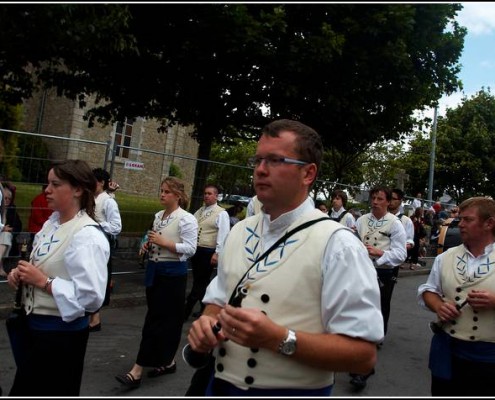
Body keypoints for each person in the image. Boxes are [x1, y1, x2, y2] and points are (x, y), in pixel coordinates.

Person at [186, 119, 383, 396]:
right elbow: (217, 301)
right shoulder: (239, 232)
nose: (261, 170)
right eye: (258, 160)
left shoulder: (338, 244)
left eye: (276, 160)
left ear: (308, 174)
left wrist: (278, 338)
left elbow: (362, 355)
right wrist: (206, 324)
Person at [6, 159, 109, 396]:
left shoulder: (86, 236)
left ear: (77, 189)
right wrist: (20, 275)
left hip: (60, 338)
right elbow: (41, 266)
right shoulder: (52, 224)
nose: (47, 190)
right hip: (34, 329)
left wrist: (43, 282)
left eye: (55, 184)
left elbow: (92, 299)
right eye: (47, 183)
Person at [115, 176, 198, 389]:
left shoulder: (186, 218)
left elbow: (190, 249)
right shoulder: (158, 215)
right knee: (162, 320)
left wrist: (166, 243)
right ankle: (167, 361)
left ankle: (137, 370)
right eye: (161, 190)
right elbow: (151, 235)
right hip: (155, 272)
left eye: (167, 192)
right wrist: (145, 244)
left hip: (173, 276)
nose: (162, 194)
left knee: (157, 321)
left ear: (177, 195)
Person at [417, 196, 495, 396]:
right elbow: (429, 290)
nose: (460, 224)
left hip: (489, 358)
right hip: (448, 351)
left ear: (489, 223)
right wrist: (438, 306)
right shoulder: (446, 257)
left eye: (468, 220)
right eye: (460, 219)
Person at [353, 185, 407, 389]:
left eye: (380, 198)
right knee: (359, 310)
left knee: (379, 308)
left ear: (388, 201)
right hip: (361, 269)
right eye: (373, 198)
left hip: (383, 271)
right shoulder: (361, 220)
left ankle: (373, 342)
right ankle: (360, 360)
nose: (375, 201)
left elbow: (401, 254)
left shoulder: (395, 224)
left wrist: (381, 254)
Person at [184, 184, 230, 320]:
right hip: (197, 250)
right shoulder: (199, 211)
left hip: (208, 251)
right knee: (201, 282)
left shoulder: (221, 213)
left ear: (216, 196)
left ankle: (186, 310)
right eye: (205, 193)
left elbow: (224, 234)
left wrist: (217, 253)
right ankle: (205, 310)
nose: (206, 196)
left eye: (210, 193)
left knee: (199, 282)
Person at [89, 168, 122, 332]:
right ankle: (91, 315)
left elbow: (116, 226)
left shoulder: (108, 201)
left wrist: (96, 225)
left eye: (92, 180)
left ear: (101, 182)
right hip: (89, 242)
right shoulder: (90, 198)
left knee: (98, 278)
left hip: (102, 243)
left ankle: (95, 318)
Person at [388, 188, 415, 270]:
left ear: (400, 201)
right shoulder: (381, 217)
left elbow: (409, 240)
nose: (390, 201)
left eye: (394, 199)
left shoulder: (406, 220)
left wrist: (407, 245)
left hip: (393, 261)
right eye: (389, 198)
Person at [0, 185, 22, 276]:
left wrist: (9, 230)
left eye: (9, 199)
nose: (7, 201)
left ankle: (0, 267)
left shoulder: (12, 210)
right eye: (5, 198)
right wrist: (2, 228)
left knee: (6, 235)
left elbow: (18, 226)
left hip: (3, 239)